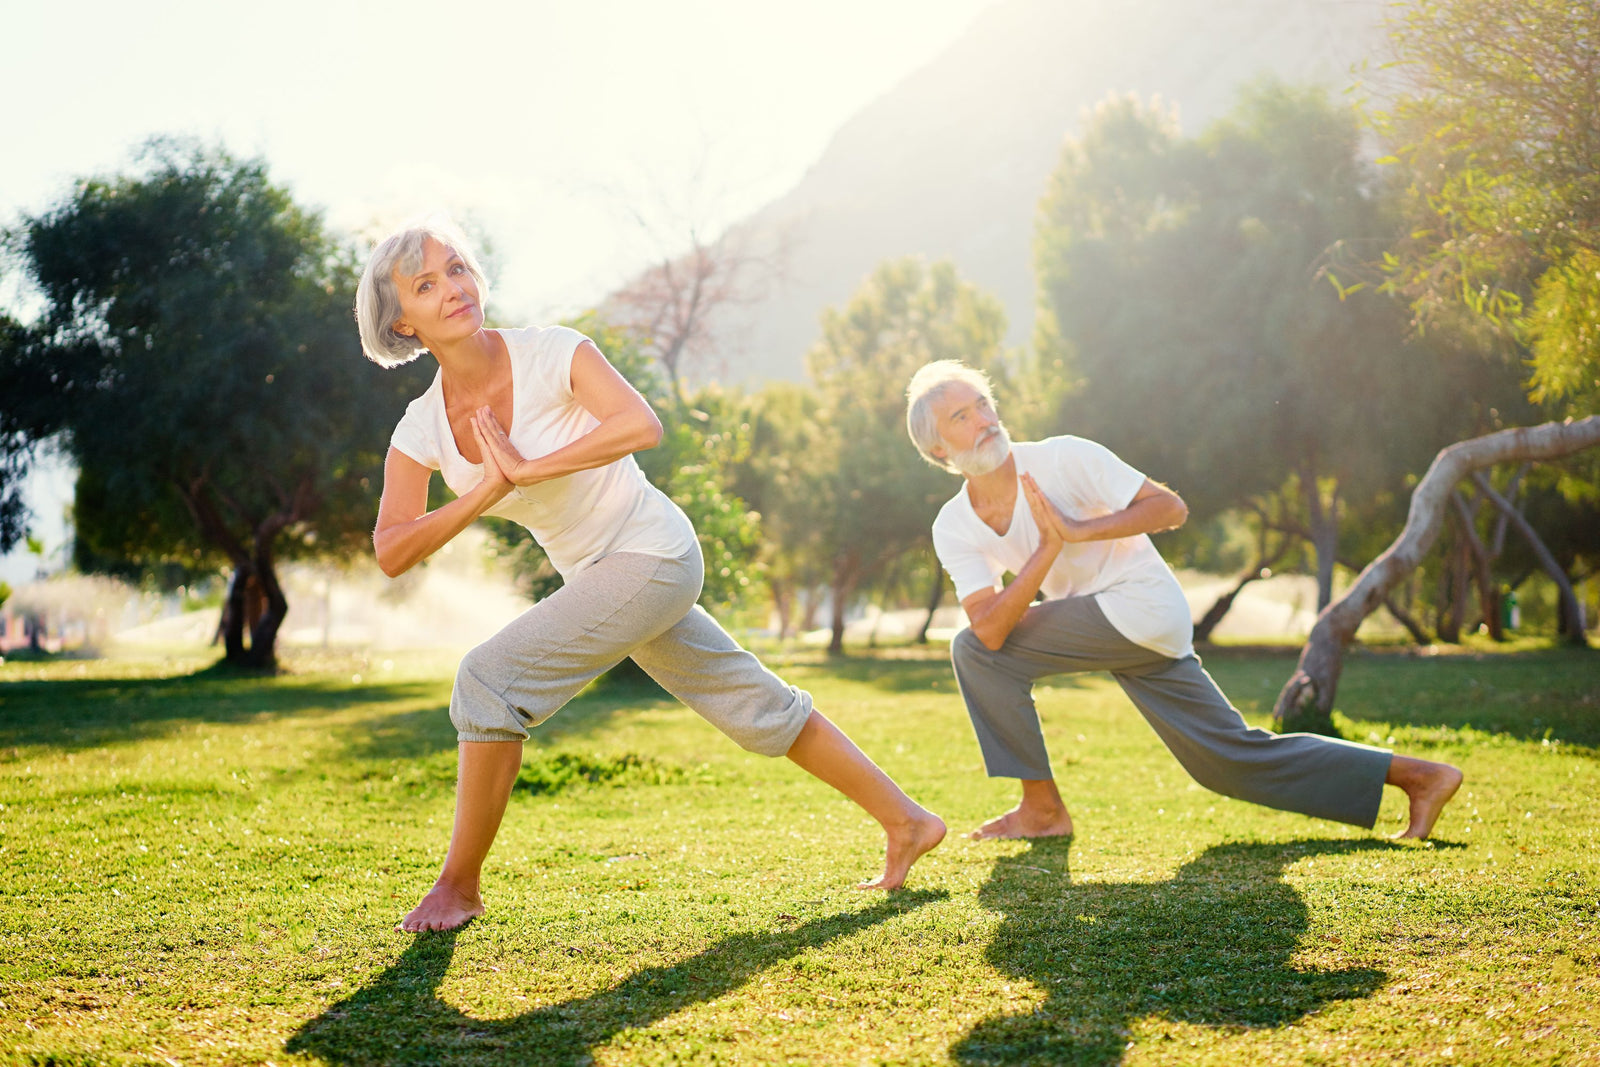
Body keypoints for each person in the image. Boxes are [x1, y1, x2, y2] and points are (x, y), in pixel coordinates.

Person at [357, 221, 945, 932]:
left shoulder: (552, 353)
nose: (453, 288)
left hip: (654, 553)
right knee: (751, 699)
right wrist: (484, 490)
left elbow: (640, 425)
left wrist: (529, 468)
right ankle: (907, 820)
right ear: (401, 323)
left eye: (456, 269)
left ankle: (459, 886)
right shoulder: (421, 428)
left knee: (487, 680)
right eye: (426, 285)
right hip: (600, 579)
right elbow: (392, 549)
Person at [903, 359, 1463, 842]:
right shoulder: (953, 525)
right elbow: (992, 628)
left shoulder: (1063, 458)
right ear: (937, 449)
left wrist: (1073, 531)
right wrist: (1049, 548)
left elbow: (1169, 508)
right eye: (962, 417)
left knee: (971, 654)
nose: (983, 420)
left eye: (983, 404)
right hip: (1111, 625)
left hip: (1141, 606)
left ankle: (1043, 810)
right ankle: (1419, 777)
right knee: (1226, 764)